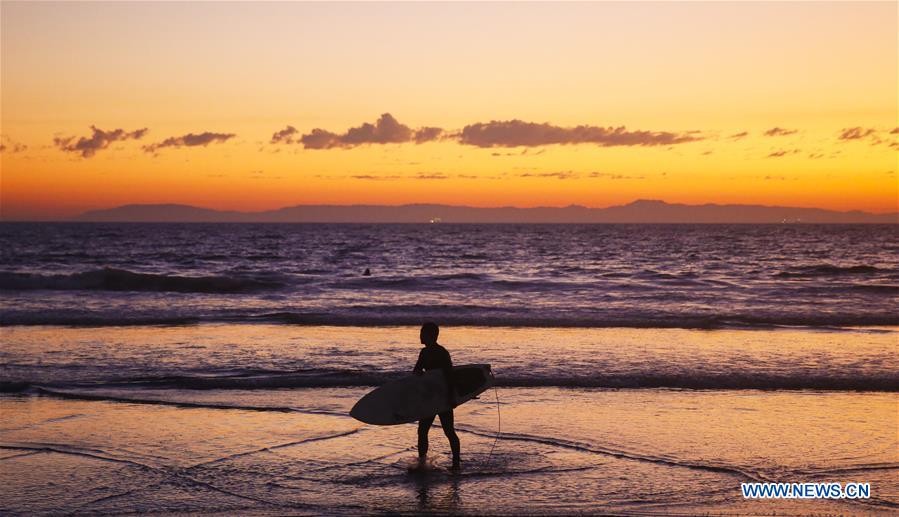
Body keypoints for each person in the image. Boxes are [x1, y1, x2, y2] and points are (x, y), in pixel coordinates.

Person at [413, 322, 461, 470]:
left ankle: (456, 463)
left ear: (430, 335)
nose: (420, 336)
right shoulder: (424, 352)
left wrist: (452, 397)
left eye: (422, 333)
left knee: (448, 431)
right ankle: (422, 462)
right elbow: (416, 371)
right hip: (430, 396)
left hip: (442, 397)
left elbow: (449, 375)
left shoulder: (442, 352)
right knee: (422, 430)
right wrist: (419, 374)